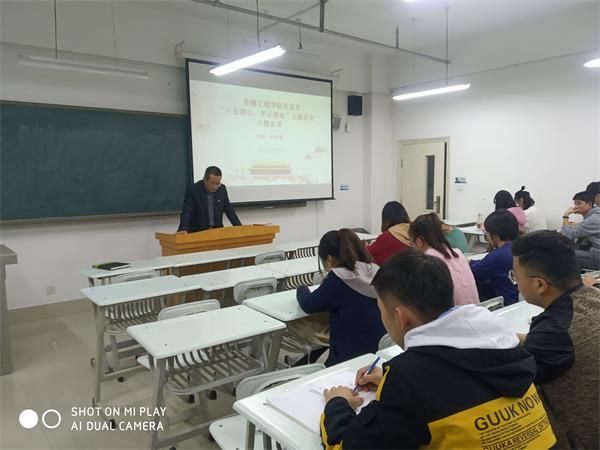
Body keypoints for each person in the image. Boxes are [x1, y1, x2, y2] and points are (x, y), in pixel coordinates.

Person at [320, 250, 557, 449]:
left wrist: (337, 403)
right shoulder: (504, 341)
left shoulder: (408, 377)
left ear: (400, 317)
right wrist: (388, 382)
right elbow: (464, 386)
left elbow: (346, 445)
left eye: (381, 311)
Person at [511, 231, 599, 449]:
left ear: (540, 285)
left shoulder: (554, 330)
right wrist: (515, 338)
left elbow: (512, 380)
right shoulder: (592, 299)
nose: (516, 283)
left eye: (515, 276)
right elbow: (570, 344)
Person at [296, 229, 385, 366]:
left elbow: (309, 304)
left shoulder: (338, 279)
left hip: (349, 359)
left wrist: (302, 289)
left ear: (329, 259)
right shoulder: (375, 270)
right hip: (380, 352)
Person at [409, 213, 479, 305]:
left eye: (411, 243)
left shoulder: (428, 260)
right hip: (475, 308)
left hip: (454, 313)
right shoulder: (457, 253)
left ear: (419, 242)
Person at [470, 210, 520, 304]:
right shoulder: (519, 248)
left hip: (506, 304)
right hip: (521, 302)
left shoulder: (498, 255)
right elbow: (485, 264)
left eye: (486, 233)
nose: (487, 237)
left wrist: (465, 262)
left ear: (495, 235)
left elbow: (473, 272)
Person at [177, 166, 241, 233]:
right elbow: (187, 211)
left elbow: (229, 209)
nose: (215, 186)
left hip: (217, 231)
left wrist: (239, 227)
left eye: (218, 183)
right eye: (213, 183)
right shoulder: (193, 190)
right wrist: (183, 228)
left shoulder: (222, 189)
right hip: (198, 231)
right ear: (205, 179)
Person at [561, 191, 600, 270]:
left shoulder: (593, 219)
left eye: (579, 203)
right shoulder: (595, 215)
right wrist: (578, 224)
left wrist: (566, 215)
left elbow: (566, 235)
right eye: (575, 204)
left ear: (589, 204)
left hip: (598, 256)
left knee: (563, 254)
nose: (575, 207)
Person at [366, 201, 411, 265]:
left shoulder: (386, 237)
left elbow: (367, 255)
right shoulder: (415, 231)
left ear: (385, 219)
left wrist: (363, 246)